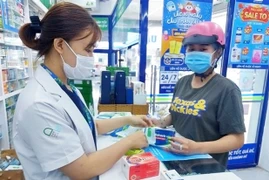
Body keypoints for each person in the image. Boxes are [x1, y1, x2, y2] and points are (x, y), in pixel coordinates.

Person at [13, 2, 151, 180]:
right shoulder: (39, 104)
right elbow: (81, 169)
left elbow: (87, 127)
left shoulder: (65, 86)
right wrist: (130, 141)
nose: (91, 57)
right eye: (87, 49)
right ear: (60, 45)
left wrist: (128, 119)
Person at [152, 22, 246, 167]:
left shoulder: (227, 90)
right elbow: (176, 115)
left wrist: (197, 147)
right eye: (191, 49)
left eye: (203, 49)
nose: (196, 53)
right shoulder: (182, 82)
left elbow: (237, 139)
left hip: (206, 165)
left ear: (218, 52)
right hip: (176, 157)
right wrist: (159, 123)